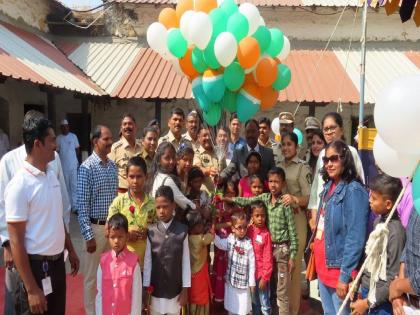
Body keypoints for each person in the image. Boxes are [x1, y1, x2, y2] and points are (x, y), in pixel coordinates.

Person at [0, 110, 75, 315]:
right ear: (37, 144)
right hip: (35, 269)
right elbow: (16, 241)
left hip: (57, 266)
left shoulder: (51, 175)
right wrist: (32, 289)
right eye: (51, 140)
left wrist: (71, 248)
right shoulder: (19, 185)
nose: (56, 144)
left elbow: (57, 217)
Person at [226, 167, 298, 314]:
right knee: (267, 288)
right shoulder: (264, 198)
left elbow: (292, 231)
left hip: (282, 251)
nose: (273, 185)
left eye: (277, 182)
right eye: (271, 181)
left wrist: (293, 256)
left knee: (282, 291)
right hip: (267, 247)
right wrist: (229, 199)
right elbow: (247, 201)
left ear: (283, 183)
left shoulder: (285, 203)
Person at [310, 140, 369, 315]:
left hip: (338, 273)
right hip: (323, 268)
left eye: (334, 159)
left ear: (345, 159)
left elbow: (355, 237)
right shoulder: (329, 186)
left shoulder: (354, 191)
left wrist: (344, 277)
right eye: (326, 160)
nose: (329, 164)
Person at [77, 125, 118, 315]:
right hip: (95, 230)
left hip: (112, 231)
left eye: (111, 139)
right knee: (91, 278)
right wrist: (88, 236)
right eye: (106, 139)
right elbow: (82, 207)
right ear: (95, 142)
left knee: (110, 275)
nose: (110, 142)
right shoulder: (87, 168)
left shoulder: (112, 167)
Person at [350, 174, 405, 315]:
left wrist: (367, 303)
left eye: (374, 198)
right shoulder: (378, 223)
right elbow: (369, 259)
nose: (369, 201)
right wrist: (357, 281)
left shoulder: (396, 232)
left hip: (381, 301)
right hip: (367, 290)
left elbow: (393, 278)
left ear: (388, 204)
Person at [308, 112, 365, 231]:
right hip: (322, 220)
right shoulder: (322, 154)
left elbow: (360, 185)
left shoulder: (351, 152)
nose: (329, 132)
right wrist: (314, 217)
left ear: (342, 130)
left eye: (332, 128)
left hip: (344, 220)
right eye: (325, 129)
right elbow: (316, 188)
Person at [279, 131, 312, 315]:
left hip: (297, 218)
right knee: (281, 265)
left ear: (297, 147)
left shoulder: (302, 168)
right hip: (280, 221)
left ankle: (293, 310)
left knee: (293, 266)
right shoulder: (278, 166)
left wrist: (294, 199)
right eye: (283, 144)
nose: (285, 148)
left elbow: (309, 198)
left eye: (289, 144)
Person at [143, 185, 190, 315]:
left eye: (165, 206)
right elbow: (148, 262)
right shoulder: (151, 231)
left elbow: (185, 262)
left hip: (175, 290)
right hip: (155, 290)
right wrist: (146, 287)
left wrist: (185, 289)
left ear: (173, 206)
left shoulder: (182, 231)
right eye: (158, 207)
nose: (161, 211)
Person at [107, 156, 155, 269]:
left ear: (146, 177)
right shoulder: (118, 202)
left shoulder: (153, 203)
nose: (135, 181)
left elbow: (160, 229)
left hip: (147, 262)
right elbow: (108, 231)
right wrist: (127, 235)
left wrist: (149, 233)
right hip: (124, 264)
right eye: (131, 177)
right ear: (126, 177)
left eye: (139, 177)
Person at [96, 213, 142, 315]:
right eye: (113, 237)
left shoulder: (133, 263)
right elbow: (99, 294)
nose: (116, 241)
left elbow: (136, 297)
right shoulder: (103, 262)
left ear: (127, 236)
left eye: (120, 237)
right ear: (108, 236)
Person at [214, 211, 255, 315]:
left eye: (245, 227)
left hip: (243, 285)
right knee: (232, 308)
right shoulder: (230, 239)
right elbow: (220, 244)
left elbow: (252, 265)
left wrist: (251, 283)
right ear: (232, 228)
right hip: (231, 282)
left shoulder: (248, 244)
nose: (242, 230)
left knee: (242, 309)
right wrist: (212, 234)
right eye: (239, 227)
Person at [212, 180, 238, 305]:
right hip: (220, 245)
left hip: (233, 246)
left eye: (233, 194)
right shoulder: (218, 207)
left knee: (230, 272)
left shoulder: (237, 208)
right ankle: (219, 299)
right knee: (220, 271)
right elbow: (214, 226)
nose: (230, 197)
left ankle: (230, 300)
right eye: (228, 193)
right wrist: (228, 223)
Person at [389, 210, 420, 315]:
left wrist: (397, 286)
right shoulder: (417, 202)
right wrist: (399, 294)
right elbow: (410, 242)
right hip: (409, 302)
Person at [151, 142, 196, 212]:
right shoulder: (166, 180)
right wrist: (198, 208)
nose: (171, 161)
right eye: (167, 158)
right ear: (159, 160)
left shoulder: (158, 175)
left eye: (173, 157)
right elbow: (186, 204)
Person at [247, 201, 273, 315]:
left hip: (261, 275)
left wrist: (265, 277)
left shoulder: (266, 234)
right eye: (257, 215)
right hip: (250, 275)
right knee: (254, 302)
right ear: (252, 216)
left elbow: (268, 257)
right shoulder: (248, 230)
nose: (260, 218)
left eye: (262, 215)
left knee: (264, 303)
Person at [186, 211, 214, 315]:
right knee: (201, 297)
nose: (202, 227)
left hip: (192, 273)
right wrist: (212, 228)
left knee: (193, 297)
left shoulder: (189, 238)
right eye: (201, 226)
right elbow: (210, 236)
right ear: (195, 227)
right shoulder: (200, 239)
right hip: (200, 274)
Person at [109, 114, 142, 194]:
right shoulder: (115, 148)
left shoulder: (142, 146)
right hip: (122, 194)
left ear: (135, 126)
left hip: (140, 194)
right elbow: (109, 173)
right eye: (124, 124)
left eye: (130, 124)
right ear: (121, 128)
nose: (127, 126)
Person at [56, 119, 80, 211]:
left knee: (74, 185)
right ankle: (68, 206)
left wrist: (73, 160)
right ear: (61, 128)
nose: (64, 128)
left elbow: (77, 149)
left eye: (66, 127)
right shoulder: (59, 138)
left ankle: (75, 206)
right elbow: (57, 152)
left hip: (73, 165)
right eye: (63, 127)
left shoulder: (73, 136)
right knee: (66, 187)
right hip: (63, 166)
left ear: (68, 127)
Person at [194, 126, 221, 194]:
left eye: (210, 135)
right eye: (204, 135)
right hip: (204, 196)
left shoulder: (219, 151)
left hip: (220, 195)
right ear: (198, 137)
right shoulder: (196, 153)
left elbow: (225, 169)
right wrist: (208, 170)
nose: (208, 138)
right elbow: (197, 169)